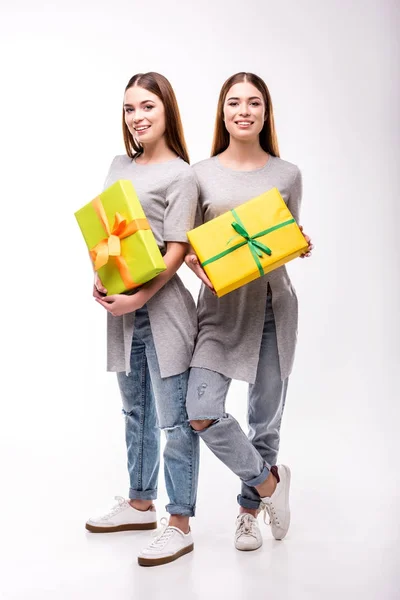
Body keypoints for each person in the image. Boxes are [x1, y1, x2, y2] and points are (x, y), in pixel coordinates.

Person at [185, 72, 313, 551]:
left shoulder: (287, 174)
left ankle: (247, 512)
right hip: (218, 311)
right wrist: (197, 260)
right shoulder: (199, 174)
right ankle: (270, 487)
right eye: (234, 102)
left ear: (265, 111)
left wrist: (299, 244)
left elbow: (287, 234)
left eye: (253, 102)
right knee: (201, 409)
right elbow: (188, 246)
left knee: (265, 418)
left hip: (274, 306)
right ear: (222, 111)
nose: (244, 110)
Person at [85, 72, 200, 567]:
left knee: (175, 419)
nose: (138, 117)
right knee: (137, 411)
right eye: (130, 108)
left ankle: (179, 523)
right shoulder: (118, 164)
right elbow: (110, 230)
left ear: (167, 111)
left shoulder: (182, 174)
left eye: (147, 106)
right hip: (123, 311)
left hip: (164, 309)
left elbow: (175, 249)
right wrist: (102, 275)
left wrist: (138, 297)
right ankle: (139, 502)